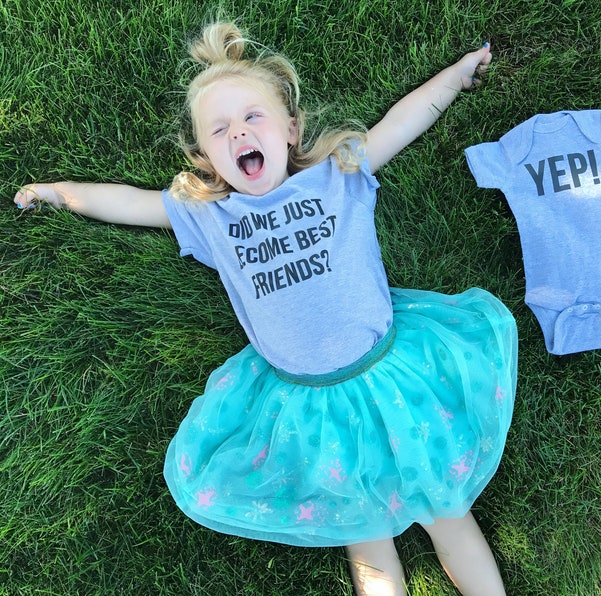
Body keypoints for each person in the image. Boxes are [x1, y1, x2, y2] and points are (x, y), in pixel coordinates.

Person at [15, 22, 517, 596]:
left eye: (253, 117)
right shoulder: (210, 216)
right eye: (220, 130)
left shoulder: (340, 174)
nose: (239, 134)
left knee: (447, 512)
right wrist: (59, 192)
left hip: (392, 378)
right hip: (308, 407)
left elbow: (401, 122)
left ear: (290, 129)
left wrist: (454, 77)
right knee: (365, 535)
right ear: (206, 156)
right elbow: (129, 203)